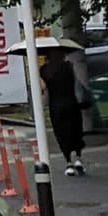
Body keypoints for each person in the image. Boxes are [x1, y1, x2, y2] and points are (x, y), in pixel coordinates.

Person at [39, 42, 88, 174]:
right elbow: (77, 84)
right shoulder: (68, 67)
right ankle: (78, 157)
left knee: (61, 134)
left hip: (56, 107)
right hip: (72, 104)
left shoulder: (44, 70)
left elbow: (42, 88)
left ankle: (68, 163)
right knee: (76, 131)